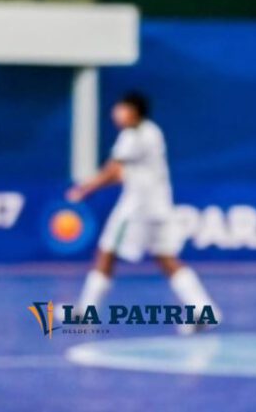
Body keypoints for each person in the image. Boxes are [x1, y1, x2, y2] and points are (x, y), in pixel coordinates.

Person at [66, 92, 221, 333]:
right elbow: (121, 174)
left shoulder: (134, 136)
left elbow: (113, 170)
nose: (116, 113)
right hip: (160, 208)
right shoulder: (153, 132)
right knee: (166, 258)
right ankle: (203, 309)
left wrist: (84, 190)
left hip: (136, 210)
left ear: (134, 111)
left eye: (121, 108)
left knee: (107, 253)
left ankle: (86, 313)